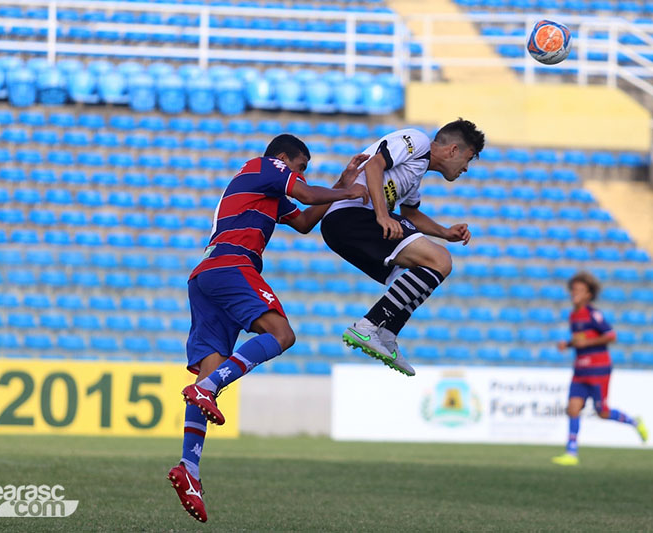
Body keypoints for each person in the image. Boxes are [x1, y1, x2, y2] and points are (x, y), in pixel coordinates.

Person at [168, 134, 368, 522]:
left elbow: (306, 221)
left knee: (210, 368)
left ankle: (188, 468)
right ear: (284, 158)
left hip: (206, 274)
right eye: (300, 167)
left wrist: (341, 185)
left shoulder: (268, 193)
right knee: (281, 334)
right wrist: (354, 191)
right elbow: (307, 194)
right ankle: (208, 388)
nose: (301, 174)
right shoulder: (266, 166)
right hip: (232, 265)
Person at [320, 118, 485, 376]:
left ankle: (387, 333)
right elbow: (374, 164)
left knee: (434, 265)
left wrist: (445, 232)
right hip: (350, 215)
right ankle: (368, 326)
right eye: (468, 158)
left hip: (346, 225)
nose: (466, 167)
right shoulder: (417, 141)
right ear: (453, 150)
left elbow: (411, 215)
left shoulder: (416, 173)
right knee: (440, 260)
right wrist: (382, 215)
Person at [551, 271, 649, 466]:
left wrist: (586, 343)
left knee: (602, 412)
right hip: (580, 370)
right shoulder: (573, 315)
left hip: (598, 369)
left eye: (580, 290)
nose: (575, 293)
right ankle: (571, 453)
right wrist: (568, 345)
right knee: (573, 408)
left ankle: (634, 422)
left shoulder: (593, 314)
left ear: (588, 295)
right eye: (573, 289)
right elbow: (580, 340)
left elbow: (611, 335)